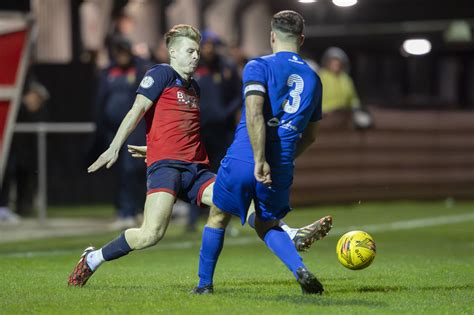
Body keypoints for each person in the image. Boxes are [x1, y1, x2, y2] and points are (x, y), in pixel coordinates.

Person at [68, 24, 331, 288]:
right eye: (190, 50)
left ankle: (286, 233)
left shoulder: (195, 88)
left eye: (197, 51)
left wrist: (156, 145)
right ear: (172, 52)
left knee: (234, 200)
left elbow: (177, 129)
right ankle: (93, 259)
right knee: (150, 235)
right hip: (166, 168)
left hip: (196, 170)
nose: (196, 56)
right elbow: (137, 110)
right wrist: (115, 146)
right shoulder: (160, 74)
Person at [192, 10, 328, 295]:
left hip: (246, 155)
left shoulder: (257, 66)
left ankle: (204, 286)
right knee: (267, 224)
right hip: (281, 163)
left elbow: (254, 112)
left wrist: (258, 159)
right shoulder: (315, 80)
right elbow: (312, 136)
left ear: (272, 36)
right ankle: (299, 269)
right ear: (301, 39)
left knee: (218, 215)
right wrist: (281, 160)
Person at [92, 35, 149, 229]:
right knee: (119, 172)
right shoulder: (108, 71)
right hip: (112, 129)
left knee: (133, 170)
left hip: (134, 129)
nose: (121, 56)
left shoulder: (141, 69)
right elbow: (101, 100)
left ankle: (134, 210)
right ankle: (124, 211)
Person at [319, 47, 372, 129]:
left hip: (344, 114)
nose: (336, 64)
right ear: (327, 63)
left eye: (338, 62)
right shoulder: (321, 77)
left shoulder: (346, 79)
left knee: (364, 121)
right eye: (333, 62)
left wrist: (356, 108)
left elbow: (353, 98)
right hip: (325, 115)